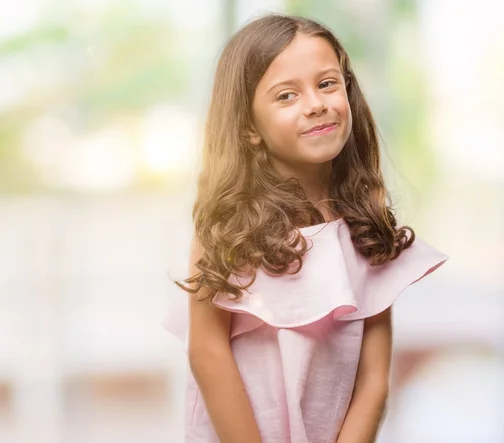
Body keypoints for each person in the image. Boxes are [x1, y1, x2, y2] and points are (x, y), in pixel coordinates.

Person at [162, 13, 449, 443]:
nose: (315, 103)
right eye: (286, 95)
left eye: (328, 84)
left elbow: (373, 383)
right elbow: (207, 352)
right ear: (248, 128)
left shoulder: (365, 228)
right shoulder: (227, 227)